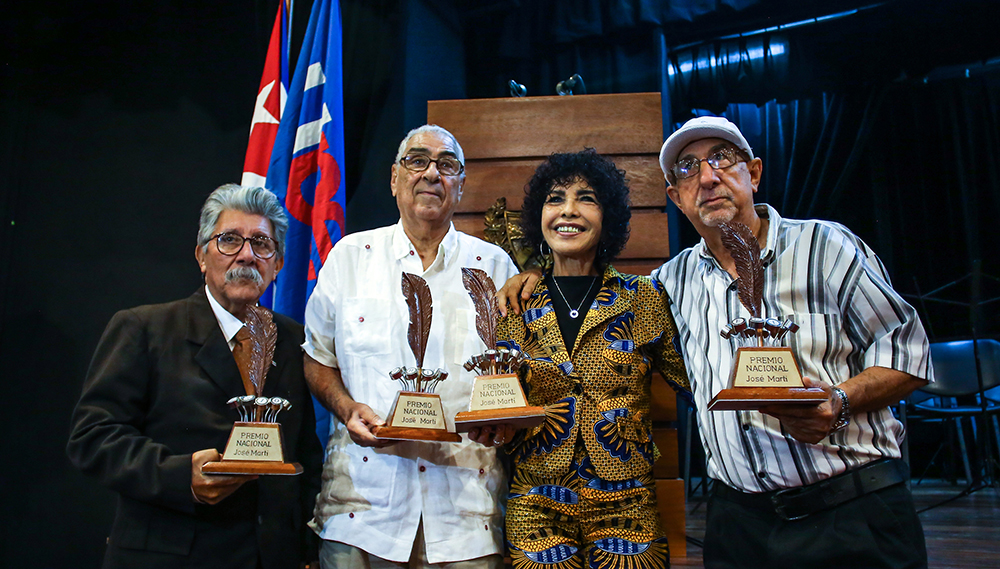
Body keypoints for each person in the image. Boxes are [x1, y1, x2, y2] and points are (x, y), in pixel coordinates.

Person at [67, 184, 323, 569]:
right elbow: (92, 438)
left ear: (278, 264)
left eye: (262, 244)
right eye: (229, 240)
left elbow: (305, 454)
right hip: (171, 554)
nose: (247, 255)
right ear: (202, 255)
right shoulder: (144, 328)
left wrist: (305, 550)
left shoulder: (294, 340)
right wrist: (178, 476)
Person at [302, 125, 519, 569]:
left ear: (461, 184)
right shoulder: (349, 257)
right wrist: (345, 407)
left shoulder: (494, 265)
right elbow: (317, 359)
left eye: (447, 165)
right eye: (417, 161)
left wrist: (505, 421)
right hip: (361, 511)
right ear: (394, 178)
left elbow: (518, 372)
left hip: (466, 517)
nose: (432, 174)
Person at [494, 149, 689, 569]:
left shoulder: (643, 297)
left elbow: (691, 381)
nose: (568, 210)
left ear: (609, 217)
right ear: (538, 217)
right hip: (536, 501)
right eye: (555, 198)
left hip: (628, 499)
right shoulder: (515, 303)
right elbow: (497, 401)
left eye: (587, 198)